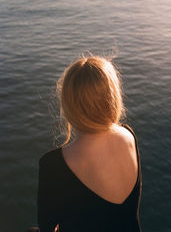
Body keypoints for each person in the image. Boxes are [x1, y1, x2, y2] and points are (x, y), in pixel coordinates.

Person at [36, 55, 142, 232]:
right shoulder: (129, 136)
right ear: (113, 98)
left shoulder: (53, 164)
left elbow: (47, 226)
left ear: (69, 104)